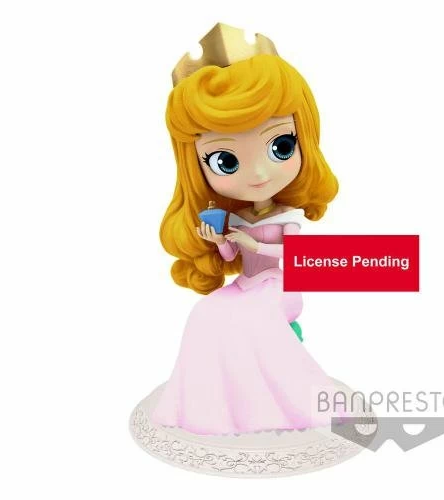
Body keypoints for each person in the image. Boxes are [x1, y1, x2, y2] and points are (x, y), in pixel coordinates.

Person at [150, 31, 339, 436]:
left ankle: (276, 408)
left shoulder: (287, 216)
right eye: (226, 159)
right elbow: (231, 260)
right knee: (207, 313)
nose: (257, 174)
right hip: (245, 285)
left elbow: (296, 257)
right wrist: (221, 241)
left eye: (280, 146)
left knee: (250, 321)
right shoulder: (235, 217)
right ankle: (220, 406)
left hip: (278, 287)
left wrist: (255, 244)